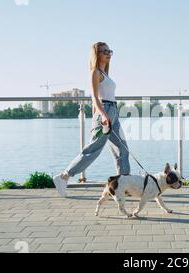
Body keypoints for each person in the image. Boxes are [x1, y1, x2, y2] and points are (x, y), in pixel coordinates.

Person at [52, 42, 131, 197]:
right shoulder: (95, 72)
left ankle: (124, 184)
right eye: (105, 51)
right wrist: (102, 115)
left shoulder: (105, 73)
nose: (108, 54)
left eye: (110, 51)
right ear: (97, 54)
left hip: (113, 111)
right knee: (93, 150)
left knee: (123, 148)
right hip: (105, 112)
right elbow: (94, 98)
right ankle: (63, 177)